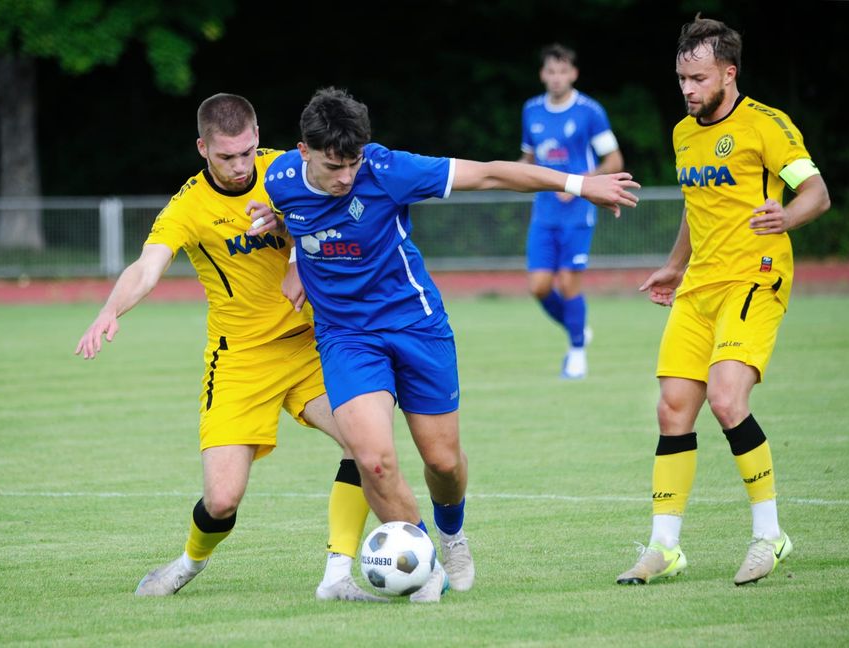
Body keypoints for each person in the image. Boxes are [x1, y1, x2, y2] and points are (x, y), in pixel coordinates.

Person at [262, 87, 639, 602]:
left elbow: (489, 173)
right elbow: (289, 219)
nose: (346, 178)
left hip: (416, 325)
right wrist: (292, 260)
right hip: (346, 337)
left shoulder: (387, 170)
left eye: (353, 164)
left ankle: (453, 535)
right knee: (373, 460)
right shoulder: (279, 178)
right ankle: (427, 568)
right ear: (303, 152)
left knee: (442, 462)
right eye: (334, 167)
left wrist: (579, 182)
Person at [74, 93, 384, 602]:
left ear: (258, 136)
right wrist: (111, 309)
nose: (240, 167)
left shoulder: (289, 170)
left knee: (367, 445)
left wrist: (295, 255)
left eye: (246, 152)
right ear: (203, 149)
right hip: (240, 359)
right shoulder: (189, 207)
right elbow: (148, 266)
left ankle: (337, 575)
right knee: (221, 500)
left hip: (314, 346)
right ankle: (188, 564)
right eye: (226, 157)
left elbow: (341, 220)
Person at [617, 15, 830, 586]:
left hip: (754, 277)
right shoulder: (684, 133)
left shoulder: (766, 126)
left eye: (698, 77)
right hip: (700, 285)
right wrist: (674, 263)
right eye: (682, 77)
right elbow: (696, 202)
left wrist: (786, 215)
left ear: (728, 73)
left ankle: (770, 536)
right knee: (671, 410)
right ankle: (665, 548)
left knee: (727, 399)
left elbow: (816, 191)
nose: (687, 89)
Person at [518, 43, 625, 379]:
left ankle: (576, 353)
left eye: (563, 71)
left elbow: (614, 161)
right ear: (542, 74)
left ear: (574, 74)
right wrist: (509, 174)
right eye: (551, 71)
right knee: (538, 286)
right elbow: (529, 160)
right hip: (544, 210)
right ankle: (578, 329)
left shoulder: (589, 111)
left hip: (578, 209)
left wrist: (578, 182)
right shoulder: (531, 110)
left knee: (568, 282)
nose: (556, 77)